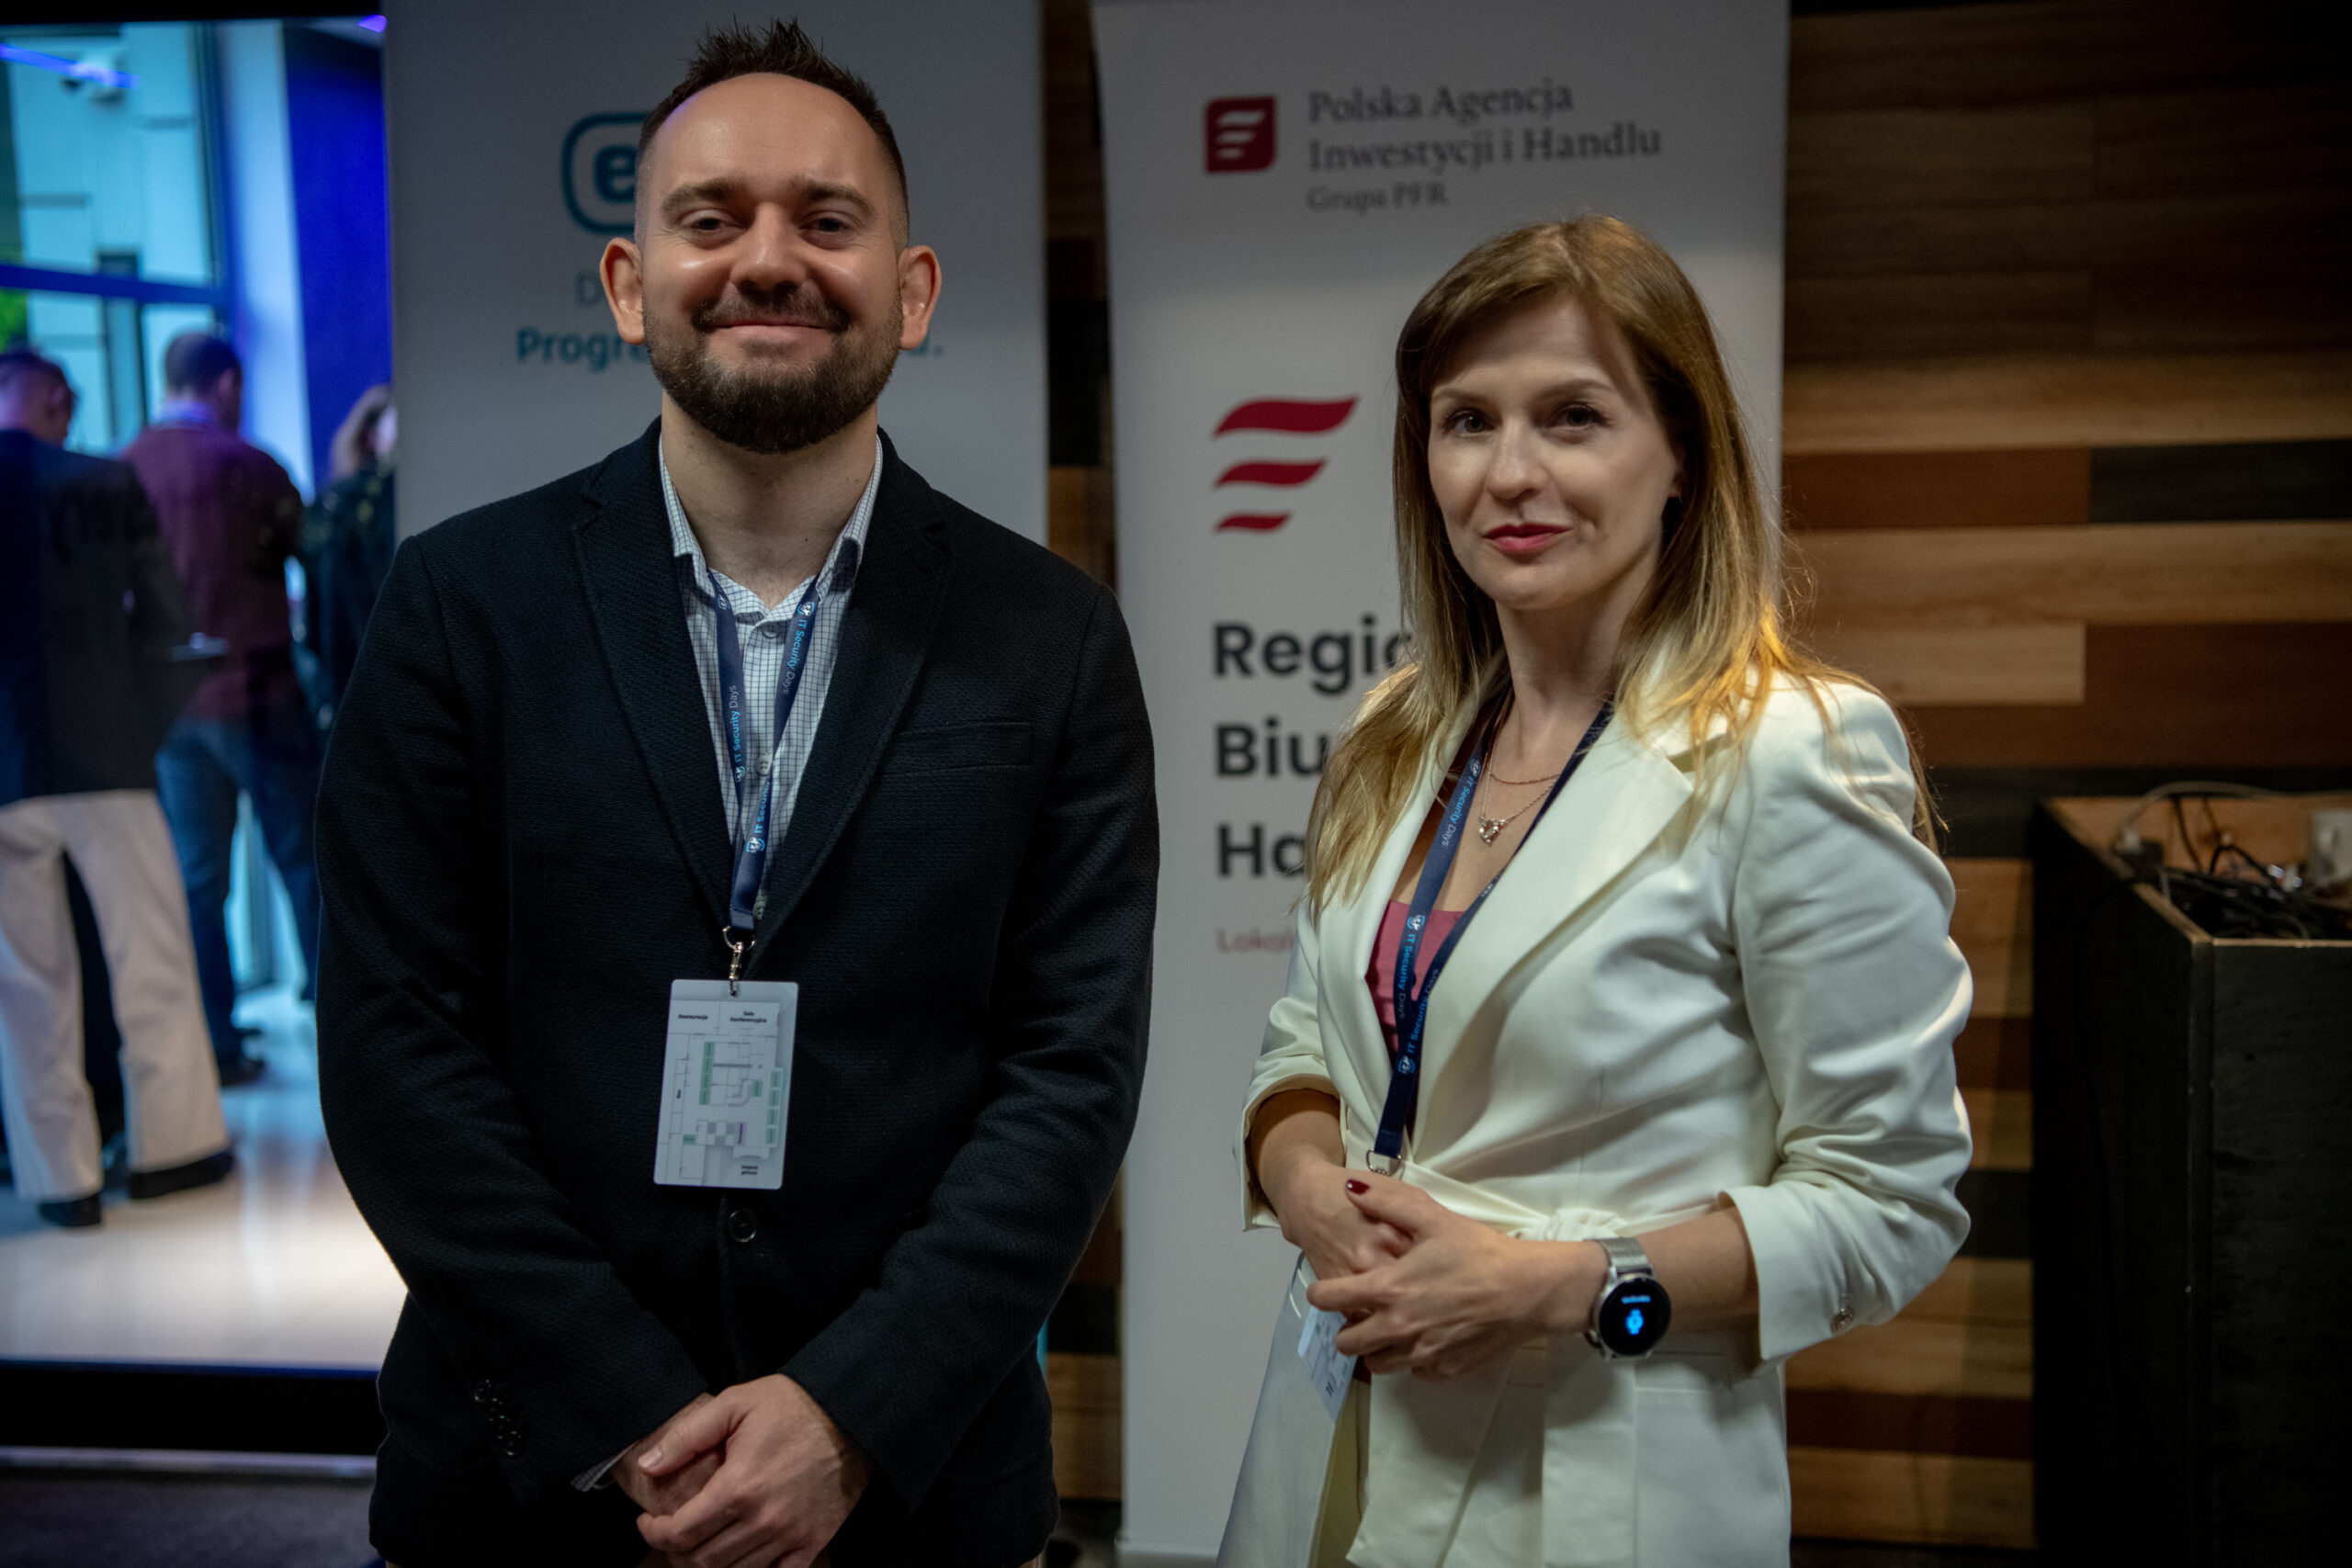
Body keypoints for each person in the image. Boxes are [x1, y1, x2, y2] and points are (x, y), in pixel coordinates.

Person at [314, 23, 1155, 1568]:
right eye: (711, 219)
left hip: (909, 1493)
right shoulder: (457, 606)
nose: (769, 259)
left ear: (912, 288)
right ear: (630, 283)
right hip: (531, 1483)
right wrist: (632, 1411)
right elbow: (394, 1047)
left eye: (828, 219)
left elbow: (1070, 1074)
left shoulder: (1054, 637)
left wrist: (849, 1413)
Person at [1223, 218, 1973, 1567]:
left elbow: (1890, 1203)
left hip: (1589, 1484)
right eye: (1467, 421)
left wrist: (1562, 1288)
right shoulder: (1394, 735)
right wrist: (1305, 1183)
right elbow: (1304, 1045)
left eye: (1573, 416)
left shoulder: (1794, 750)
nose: (1511, 472)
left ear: (1681, 452)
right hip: (1330, 1441)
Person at [0, 348, 232, 1229]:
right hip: (107, 753)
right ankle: (173, 1150)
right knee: (152, 957)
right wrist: (140, 720)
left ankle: (61, 1182)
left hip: (5, 763)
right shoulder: (102, 482)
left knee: (24, 983)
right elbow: (168, 620)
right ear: (56, 398)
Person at [124, 333, 317, 1085]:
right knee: (304, 856)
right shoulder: (247, 464)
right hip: (256, 690)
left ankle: (217, 1038)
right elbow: (314, 557)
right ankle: (340, 1022)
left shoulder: (124, 467)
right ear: (227, 384)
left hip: (171, 709)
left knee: (199, 878)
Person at [299, 383, 397, 728]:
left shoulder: (329, 504)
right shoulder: (349, 505)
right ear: (370, 434)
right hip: (380, 672)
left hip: (342, 685)